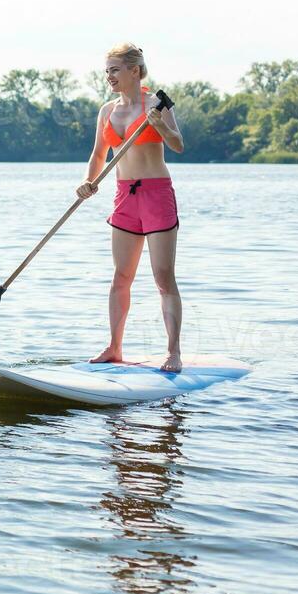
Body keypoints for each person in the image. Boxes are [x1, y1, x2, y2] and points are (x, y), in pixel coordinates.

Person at [75, 44, 186, 373]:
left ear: (135, 71)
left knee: (163, 278)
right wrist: (87, 182)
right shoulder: (106, 111)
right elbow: (98, 155)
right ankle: (114, 348)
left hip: (156, 195)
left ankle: (173, 352)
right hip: (124, 196)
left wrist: (161, 125)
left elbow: (178, 144)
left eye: (115, 69)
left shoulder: (156, 103)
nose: (108, 75)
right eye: (107, 69)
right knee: (121, 277)